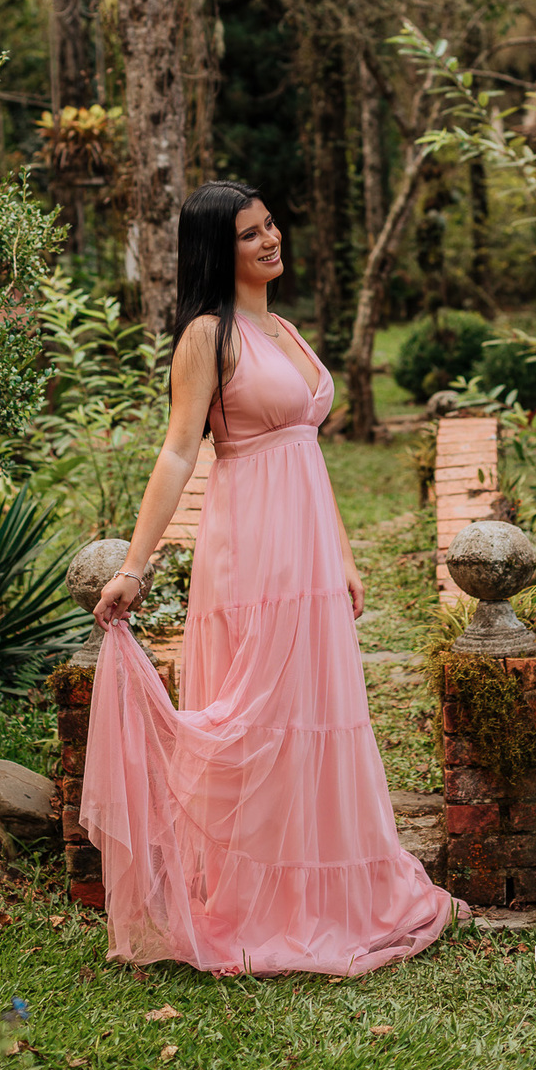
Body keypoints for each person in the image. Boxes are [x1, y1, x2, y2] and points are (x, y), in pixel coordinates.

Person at [80, 180, 467, 976]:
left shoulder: (281, 325)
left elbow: (305, 452)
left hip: (310, 551)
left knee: (315, 718)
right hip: (253, 551)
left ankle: (324, 890)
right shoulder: (207, 336)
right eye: (250, 234)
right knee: (260, 721)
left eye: (270, 225)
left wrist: (345, 556)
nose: (269, 239)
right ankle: (258, 901)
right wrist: (135, 565)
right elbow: (180, 451)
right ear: (219, 251)